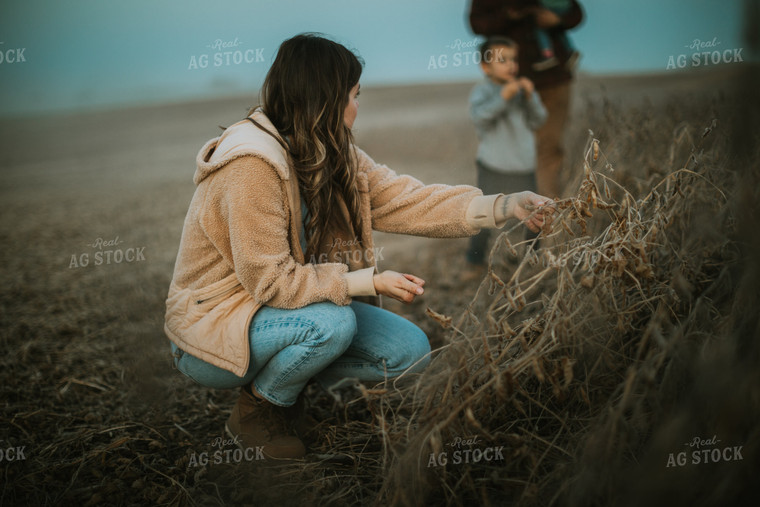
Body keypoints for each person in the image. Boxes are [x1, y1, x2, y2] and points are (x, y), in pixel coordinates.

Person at [163, 33, 553, 460]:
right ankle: (259, 408)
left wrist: (503, 205)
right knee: (332, 325)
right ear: (324, 97)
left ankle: (287, 390)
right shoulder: (251, 165)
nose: (357, 105)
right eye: (354, 94)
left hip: (287, 313)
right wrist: (367, 281)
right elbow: (271, 281)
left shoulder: (331, 151)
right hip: (215, 329)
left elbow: (408, 199)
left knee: (408, 352)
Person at [469, 0, 584, 200]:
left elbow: (574, 12)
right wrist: (511, 13)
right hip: (509, 82)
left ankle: (545, 215)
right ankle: (508, 211)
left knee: (549, 147)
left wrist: (556, 19)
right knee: (507, 147)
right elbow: (477, 24)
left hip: (553, 78)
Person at [466, 37, 547, 270]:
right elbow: (480, 117)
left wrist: (531, 97)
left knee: (534, 215)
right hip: (493, 165)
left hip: (523, 165)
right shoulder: (482, 92)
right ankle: (475, 260)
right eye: (503, 60)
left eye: (513, 59)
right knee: (483, 214)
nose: (511, 65)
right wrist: (504, 96)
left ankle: (532, 260)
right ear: (485, 66)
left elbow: (539, 119)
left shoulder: (524, 92)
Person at [532, 0, 580, 71]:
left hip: (549, 6)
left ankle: (547, 54)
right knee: (558, 29)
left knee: (541, 26)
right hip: (565, 6)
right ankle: (570, 50)